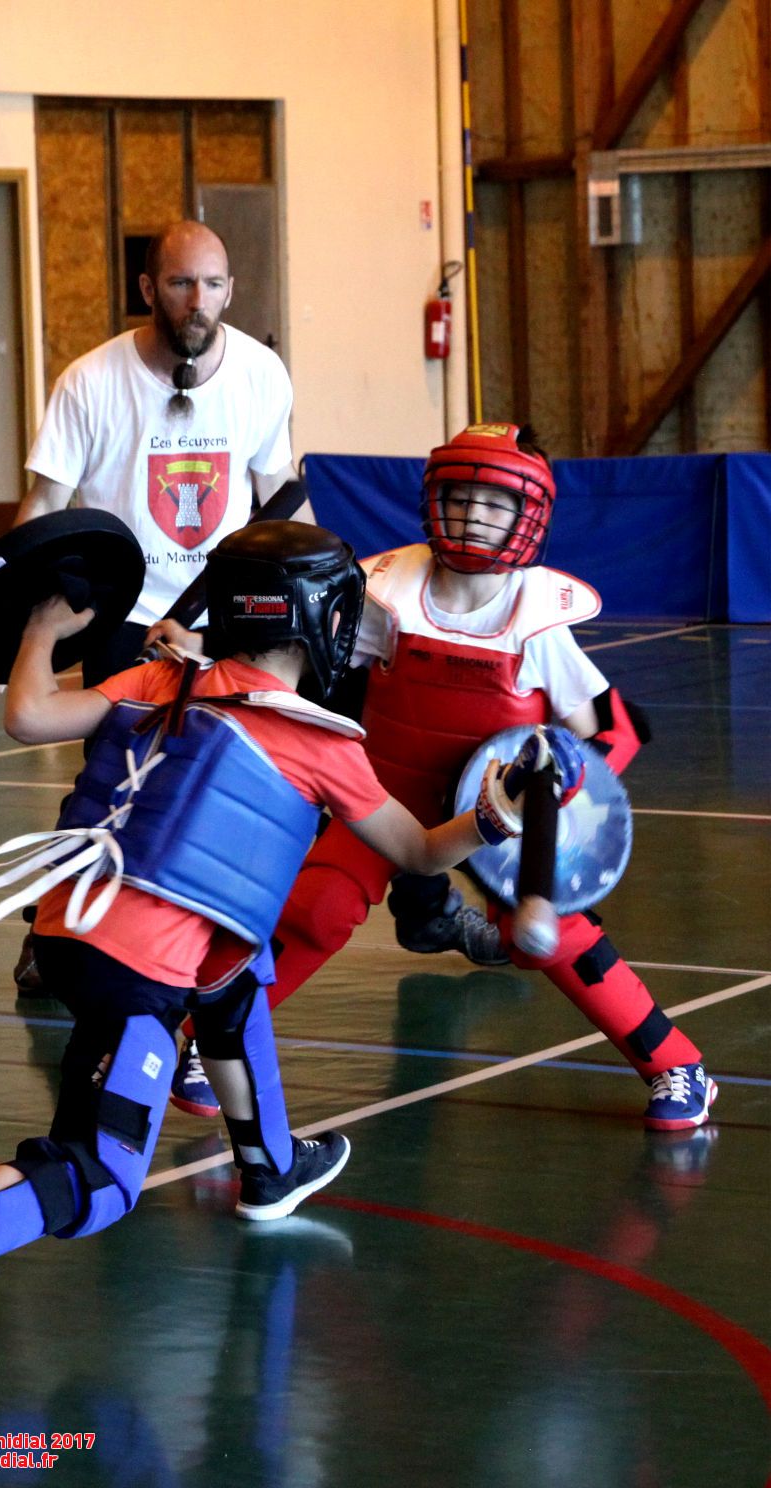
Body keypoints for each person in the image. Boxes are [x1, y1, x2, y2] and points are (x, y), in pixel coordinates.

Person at [0, 520, 580, 1374]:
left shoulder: (157, 677)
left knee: (230, 972)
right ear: (317, 621)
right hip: (133, 973)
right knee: (101, 1178)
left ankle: (271, 1165)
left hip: (68, 928)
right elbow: (415, 852)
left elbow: (27, 714)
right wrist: (495, 813)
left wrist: (41, 627)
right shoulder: (325, 744)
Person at [167, 425, 717, 1132]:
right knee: (318, 908)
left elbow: (610, 727)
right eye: (460, 497)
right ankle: (202, 1042)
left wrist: (566, 791)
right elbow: (304, 660)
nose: (473, 515)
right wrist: (207, 647)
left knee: (553, 935)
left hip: (496, 808)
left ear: (530, 515)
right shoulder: (386, 589)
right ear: (434, 501)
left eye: (493, 503)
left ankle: (677, 1065)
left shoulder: (539, 618)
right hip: (384, 793)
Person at [10, 217, 311, 997]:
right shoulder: (91, 380)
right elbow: (45, 503)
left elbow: (279, 495)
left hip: (228, 609)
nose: (197, 302)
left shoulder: (261, 373)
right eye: (180, 284)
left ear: (231, 290)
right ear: (149, 289)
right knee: (115, 779)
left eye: (212, 285)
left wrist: (307, 604)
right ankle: (54, 926)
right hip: (127, 615)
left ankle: (192, 936)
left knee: (224, 776)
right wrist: (16, 623)